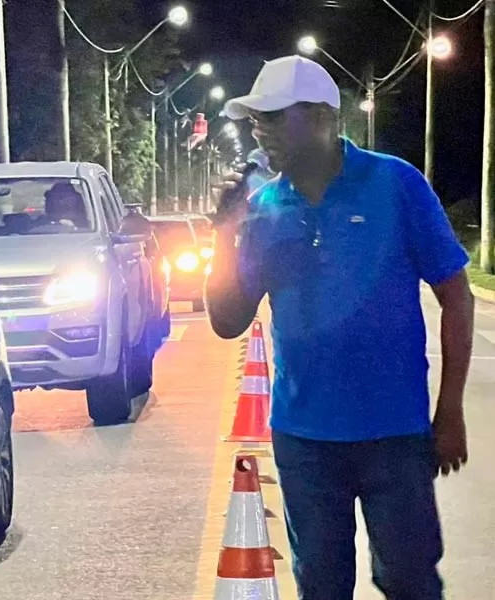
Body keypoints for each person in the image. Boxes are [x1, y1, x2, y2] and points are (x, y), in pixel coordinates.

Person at [205, 55, 474, 599]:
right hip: (304, 439)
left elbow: (458, 297)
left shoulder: (395, 184)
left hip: (395, 434)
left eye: (275, 116)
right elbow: (228, 322)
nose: (261, 130)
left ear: (323, 117)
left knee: (410, 581)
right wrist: (222, 235)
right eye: (256, 119)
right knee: (322, 584)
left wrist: (449, 412)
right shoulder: (263, 208)